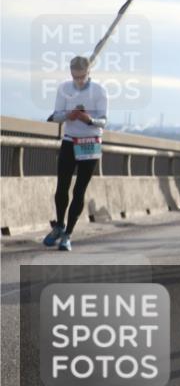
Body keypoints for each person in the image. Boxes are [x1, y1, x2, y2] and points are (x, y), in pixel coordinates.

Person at [44, 56, 109, 252]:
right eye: (75, 77)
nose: (79, 81)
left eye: (82, 77)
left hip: (90, 142)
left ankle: (68, 234)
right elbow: (54, 116)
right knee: (61, 188)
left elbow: (104, 120)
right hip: (70, 140)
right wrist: (69, 115)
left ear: (89, 72)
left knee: (79, 190)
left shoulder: (99, 90)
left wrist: (88, 119)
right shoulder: (64, 88)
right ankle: (59, 225)